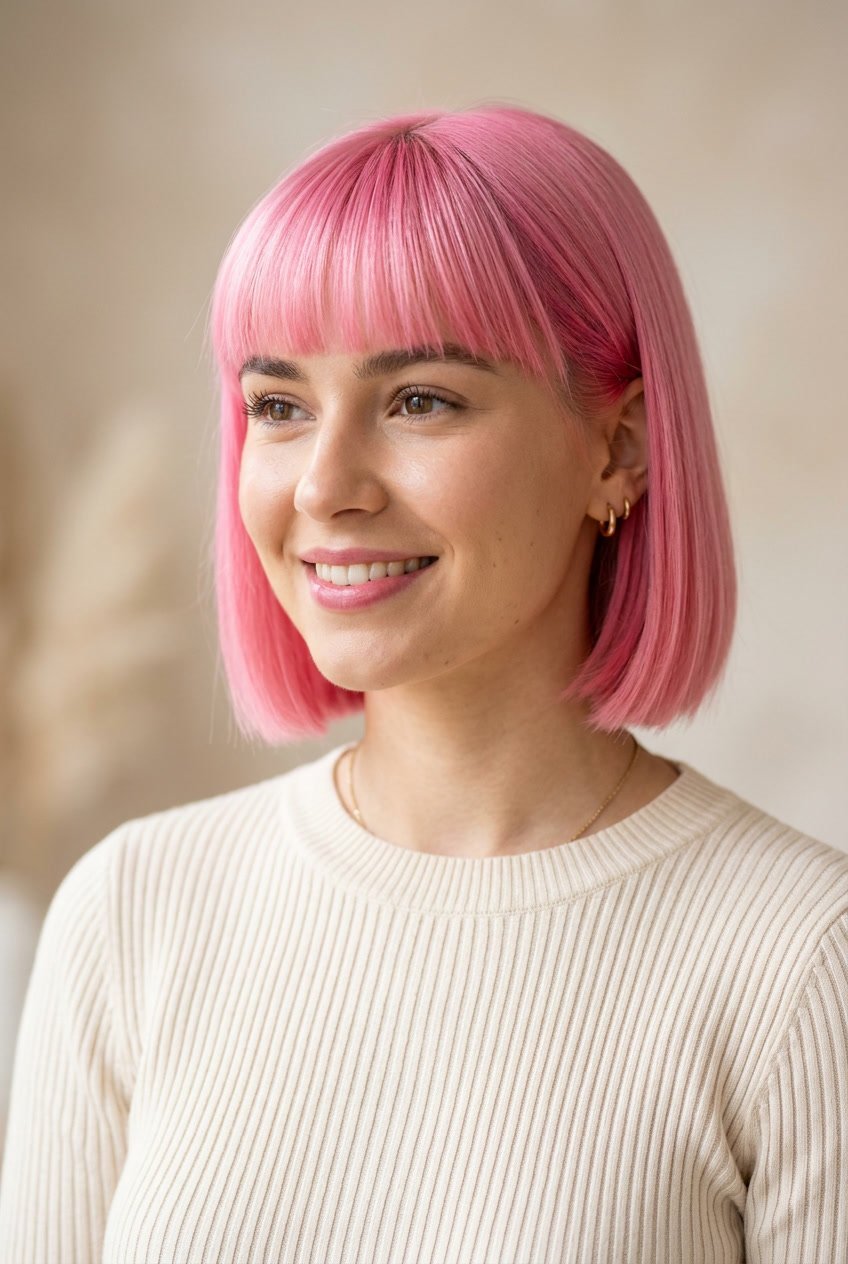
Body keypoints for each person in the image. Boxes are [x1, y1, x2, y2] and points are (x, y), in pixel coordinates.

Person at [0, 102, 845, 1263]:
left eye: (419, 400)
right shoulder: (132, 912)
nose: (322, 487)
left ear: (620, 448)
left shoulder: (801, 957)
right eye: (278, 407)